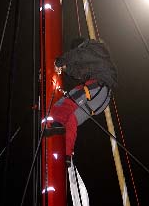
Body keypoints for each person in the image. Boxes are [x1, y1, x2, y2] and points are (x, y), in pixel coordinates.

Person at [44, 37, 118, 165]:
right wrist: (66, 68)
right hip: (101, 99)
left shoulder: (93, 49)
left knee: (65, 103)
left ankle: (55, 124)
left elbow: (79, 55)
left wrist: (60, 62)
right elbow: (80, 72)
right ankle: (66, 154)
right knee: (71, 119)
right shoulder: (98, 58)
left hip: (96, 87)